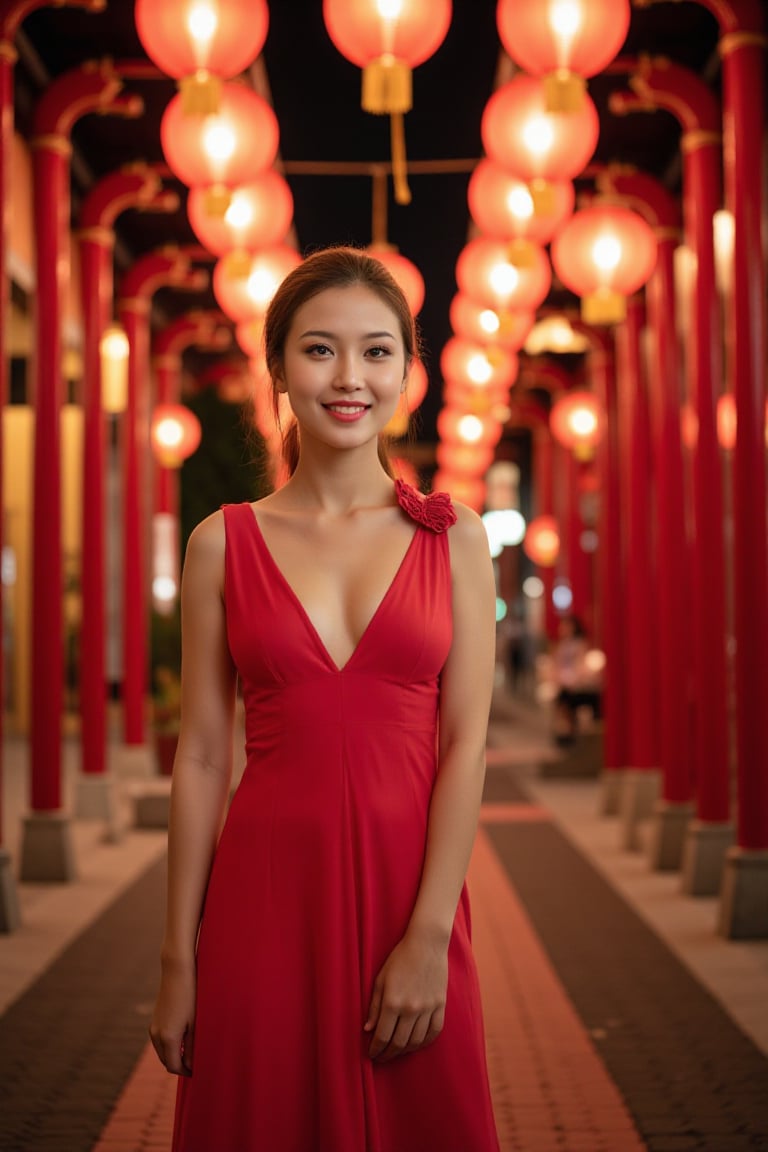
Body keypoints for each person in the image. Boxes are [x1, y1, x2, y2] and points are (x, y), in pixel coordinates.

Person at [149, 246, 501, 1152]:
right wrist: (176, 960)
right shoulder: (219, 545)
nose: (350, 378)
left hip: (407, 896)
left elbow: (465, 745)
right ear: (277, 368)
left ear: (408, 373)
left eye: (378, 351)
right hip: (263, 902)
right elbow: (200, 757)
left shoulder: (455, 537)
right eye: (319, 350)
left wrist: (429, 934)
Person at [550, 613, 602, 744]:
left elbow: (581, 666)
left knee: (566, 698)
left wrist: (572, 678)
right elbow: (557, 664)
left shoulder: (580, 644)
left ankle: (570, 732)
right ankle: (566, 731)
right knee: (563, 697)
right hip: (567, 682)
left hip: (579, 684)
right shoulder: (562, 645)